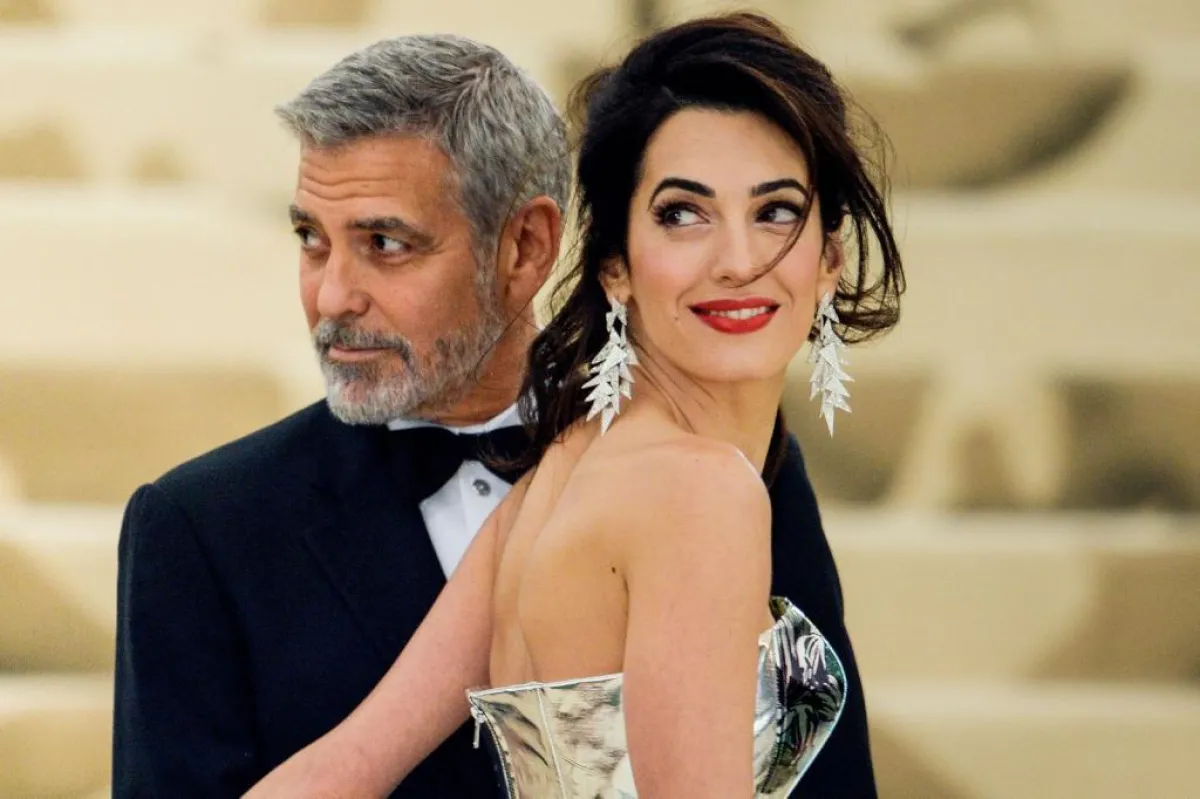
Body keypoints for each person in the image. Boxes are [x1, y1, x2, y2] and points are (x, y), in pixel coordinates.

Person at [245, 12, 904, 798]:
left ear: (830, 256)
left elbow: (340, 768)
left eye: (776, 211)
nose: (738, 260)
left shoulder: (562, 466)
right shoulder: (700, 492)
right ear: (614, 264)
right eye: (682, 213)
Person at [112, 35, 569, 797]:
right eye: (312, 240)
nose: (331, 297)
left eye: (385, 243)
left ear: (525, 247)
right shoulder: (202, 527)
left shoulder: (708, 468)